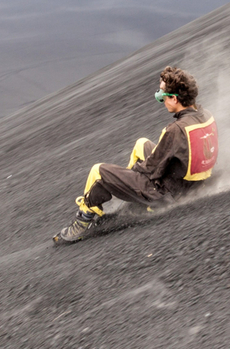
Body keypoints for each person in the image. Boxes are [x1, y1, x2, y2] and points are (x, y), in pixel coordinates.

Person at [53, 66, 218, 244]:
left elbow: (151, 168)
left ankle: (82, 221)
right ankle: (133, 199)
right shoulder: (206, 115)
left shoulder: (175, 130)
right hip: (190, 184)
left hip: (168, 194)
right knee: (142, 144)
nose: (162, 101)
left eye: (162, 96)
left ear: (174, 98)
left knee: (98, 172)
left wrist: (128, 177)